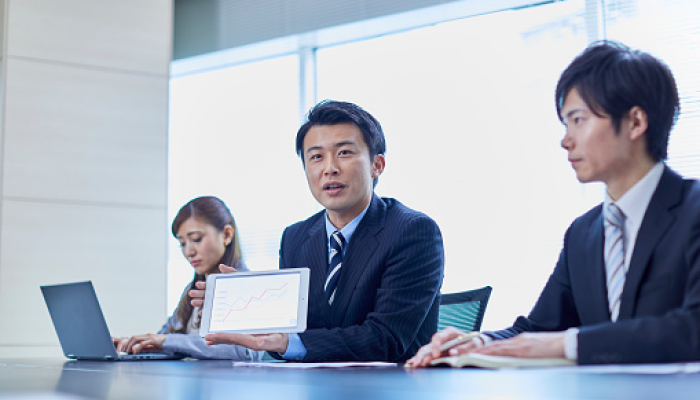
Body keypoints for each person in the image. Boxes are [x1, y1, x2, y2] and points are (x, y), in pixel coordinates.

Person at [408, 40, 700, 367]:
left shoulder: (694, 209)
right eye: (565, 123)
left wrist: (567, 343)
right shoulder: (583, 233)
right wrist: (478, 342)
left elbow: (693, 329)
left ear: (635, 123)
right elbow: (540, 328)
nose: (565, 140)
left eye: (578, 120)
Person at [191, 100, 445, 362]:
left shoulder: (413, 231)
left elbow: (386, 339)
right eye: (316, 157)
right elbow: (295, 333)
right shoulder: (295, 237)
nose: (330, 168)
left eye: (344, 153)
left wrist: (288, 342)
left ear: (376, 165)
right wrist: (252, 311)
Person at [114, 196, 263, 360]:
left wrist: (167, 341)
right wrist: (132, 345)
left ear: (227, 235)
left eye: (196, 239)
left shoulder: (247, 288)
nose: (188, 252)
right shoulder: (192, 290)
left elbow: (246, 352)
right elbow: (164, 340)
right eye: (183, 243)